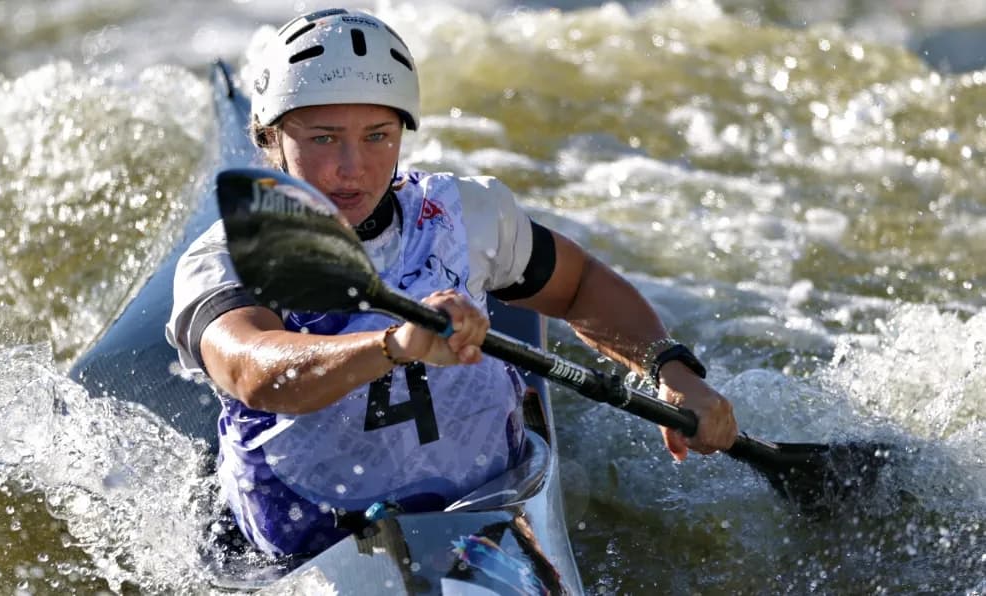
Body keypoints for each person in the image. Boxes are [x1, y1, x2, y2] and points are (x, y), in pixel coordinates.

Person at [166, 7, 737, 559]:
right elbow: (253, 370)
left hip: (487, 515)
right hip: (308, 542)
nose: (353, 166)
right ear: (271, 137)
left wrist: (669, 369)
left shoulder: (465, 215)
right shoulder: (224, 257)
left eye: (377, 136)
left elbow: (581, 284)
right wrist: (394, 346)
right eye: (322, 138)